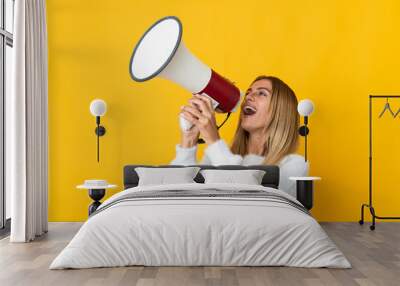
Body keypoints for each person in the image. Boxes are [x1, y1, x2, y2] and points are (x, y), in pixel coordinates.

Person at [170, 75, 308, 198]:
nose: (248, 97)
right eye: (248, 92)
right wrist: (188, 140)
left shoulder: (294, 165)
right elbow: (175, 193)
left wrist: (214, 141)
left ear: (281, 110)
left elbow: (246, 199)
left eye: (261, 93)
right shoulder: (217, 156)